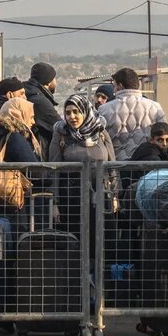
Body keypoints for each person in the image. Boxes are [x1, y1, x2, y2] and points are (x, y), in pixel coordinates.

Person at [49, 94, 117, 236]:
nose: (71, 117)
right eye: (68, 113)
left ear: (85, 111)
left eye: (76, 111)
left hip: (101, 196)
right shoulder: (61, 134)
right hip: (72, 199)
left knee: (102, 239)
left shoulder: (100, 131)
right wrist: (54, 203)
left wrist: (115, 195)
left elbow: (112, 166)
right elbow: (53, 170)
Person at [99, 67, 167, 160]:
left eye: (114, 86)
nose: (114, 90)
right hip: (148, 166)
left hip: (116, 167)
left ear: (120, 85)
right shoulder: (155, 107)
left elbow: (99, 142)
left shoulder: (104, 109)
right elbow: (166, 139)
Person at [25, 62, 61, 153]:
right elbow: (58, 125)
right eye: (54, 78)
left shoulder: (29, 94)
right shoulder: (40, 101)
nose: (56, 82)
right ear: (48, 81)